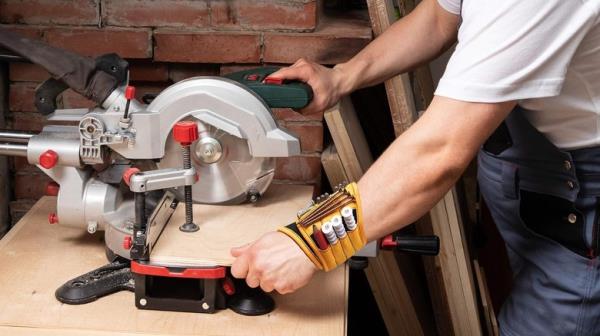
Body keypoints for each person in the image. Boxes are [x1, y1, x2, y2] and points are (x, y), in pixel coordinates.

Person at [230, 0, 600, 334]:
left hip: (582, 193)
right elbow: (440, 17)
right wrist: (342, 76)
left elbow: (439, 151)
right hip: (539, 165)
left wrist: (313, 239)